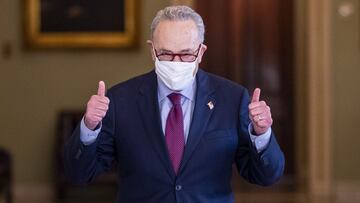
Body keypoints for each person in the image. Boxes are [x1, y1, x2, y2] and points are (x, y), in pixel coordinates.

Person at [64, 5, 285, 203]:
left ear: (201, 52)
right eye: (167, 54)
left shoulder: (232, 98)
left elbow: (267, 176)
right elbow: (79, 174)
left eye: (186, 54)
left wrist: (262, 134)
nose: (176, 62)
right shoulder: (121, 100)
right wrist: (89, 127)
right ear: (152, 50)